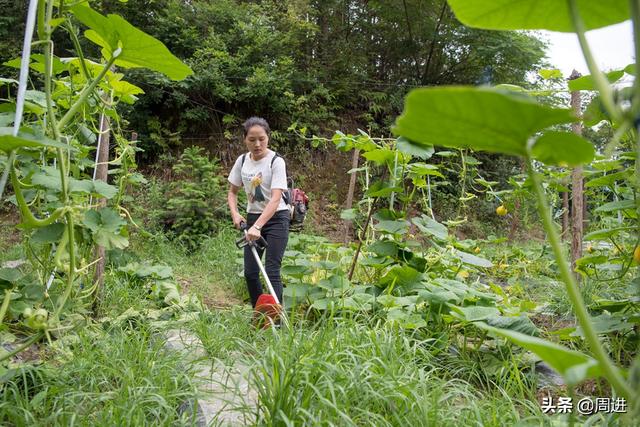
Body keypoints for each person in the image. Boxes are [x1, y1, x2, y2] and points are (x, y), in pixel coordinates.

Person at [227, 117, 289, 308]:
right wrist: (235, 214)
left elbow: (276, 198)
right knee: (251, 273)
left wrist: (258, 226)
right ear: (245, 139)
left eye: (261, 139)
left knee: (272, 271)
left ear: (268, 138)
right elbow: (232, 191)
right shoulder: (242, 160)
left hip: (277, 219)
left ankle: (277, 321)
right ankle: (261, 314)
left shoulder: (276, 162)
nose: (257, 144)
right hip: (253, 218)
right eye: (252, 139)